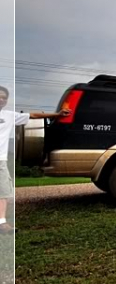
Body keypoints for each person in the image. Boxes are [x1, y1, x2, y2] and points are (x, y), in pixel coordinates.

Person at [0, 85, 71, 233]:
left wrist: (57, 115)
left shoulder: (8, 115)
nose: (2, 99)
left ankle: (2, 224)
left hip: (1, 161)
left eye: (4, 97)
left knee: (4, 191)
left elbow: (33, 116)